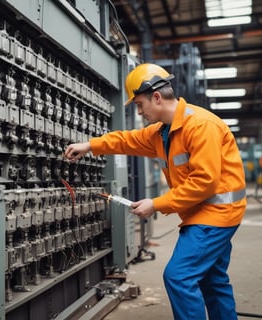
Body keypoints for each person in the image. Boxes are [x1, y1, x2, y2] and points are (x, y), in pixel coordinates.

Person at [63, 63, 247, 320]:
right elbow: (127, 140)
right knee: (212, 280)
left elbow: (204, 181)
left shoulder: (201, 126)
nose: (139, 112)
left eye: (139, 104)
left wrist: (157, 204)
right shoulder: (163, 133)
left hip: (216, 214)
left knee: (179, 276)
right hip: (203, 213)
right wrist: (90, 145)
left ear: (157, 97)